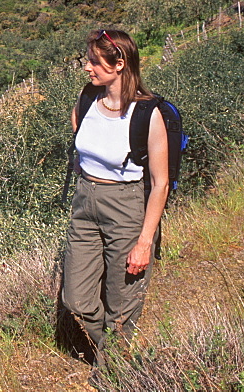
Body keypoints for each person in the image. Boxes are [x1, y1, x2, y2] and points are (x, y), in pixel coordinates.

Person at [62, 29, 169, 368]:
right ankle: (113, 352)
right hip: (85, 203)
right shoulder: (86, 99)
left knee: (122, 302)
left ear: (119, 63)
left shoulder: (147, 114)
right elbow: (80, 144)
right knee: (76, 299)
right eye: (88, 60)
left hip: (125, 205)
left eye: (95, 61)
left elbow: (161, 183)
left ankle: (113, 372)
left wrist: (144, 242)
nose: (88, 68)